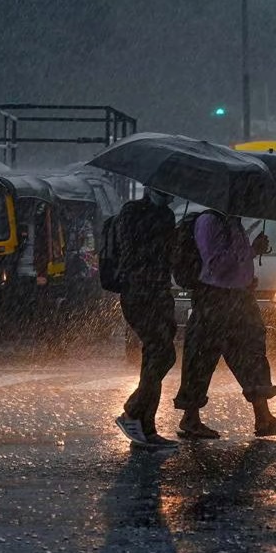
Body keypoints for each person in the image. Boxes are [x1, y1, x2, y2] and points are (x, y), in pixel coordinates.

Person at [174, 211, 276, 439]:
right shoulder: (210, 222)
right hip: (215, 299)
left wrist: (246, 274)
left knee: (251, 355)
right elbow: (215, 264)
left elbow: (234, 264)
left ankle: (264, 418)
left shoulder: (234, 223)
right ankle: (190, 418)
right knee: (202, 358)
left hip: (240, 297)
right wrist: (251, 251)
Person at [113, 188, 180, 449]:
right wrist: (162, 241)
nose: (168, 196)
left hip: (161, 292)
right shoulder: (131, 211)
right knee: (163, 354)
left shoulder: (167, 215)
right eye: (163, 191)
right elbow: (131, 251)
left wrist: (174, 243)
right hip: (138, 292)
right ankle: (132, 411)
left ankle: (147, 427)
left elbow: (168, 258)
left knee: (154, 357)